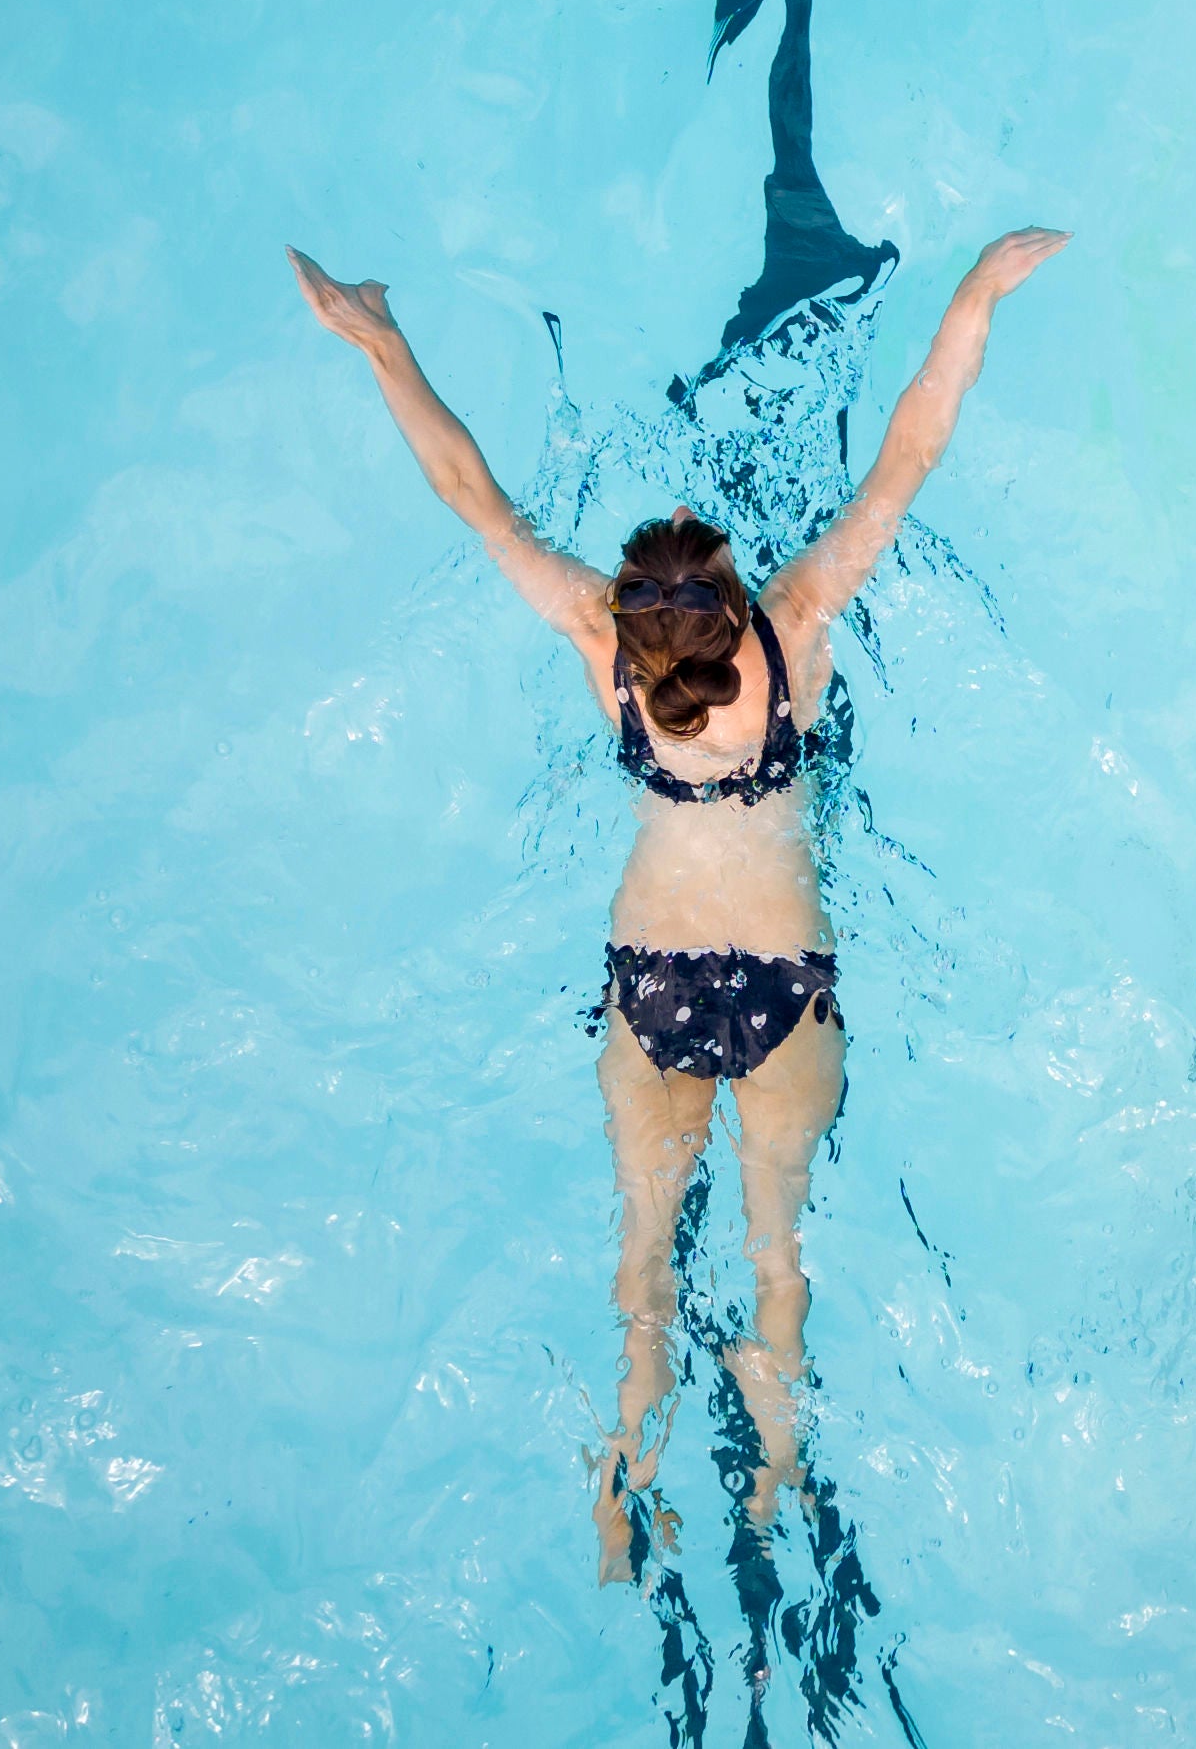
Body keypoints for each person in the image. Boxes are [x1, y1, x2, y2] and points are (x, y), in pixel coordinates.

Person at [285, 226, 1070, 1570]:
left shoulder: (604, 651)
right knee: (776, 1262)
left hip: (650, 991)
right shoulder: (802, 625)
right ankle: (772, 1480)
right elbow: (910, 453)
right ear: (729, 602)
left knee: (643, 1281)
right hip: (781, 992)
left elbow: (471, 494)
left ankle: (621, 1487)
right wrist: (976, 294)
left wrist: (383, 340)